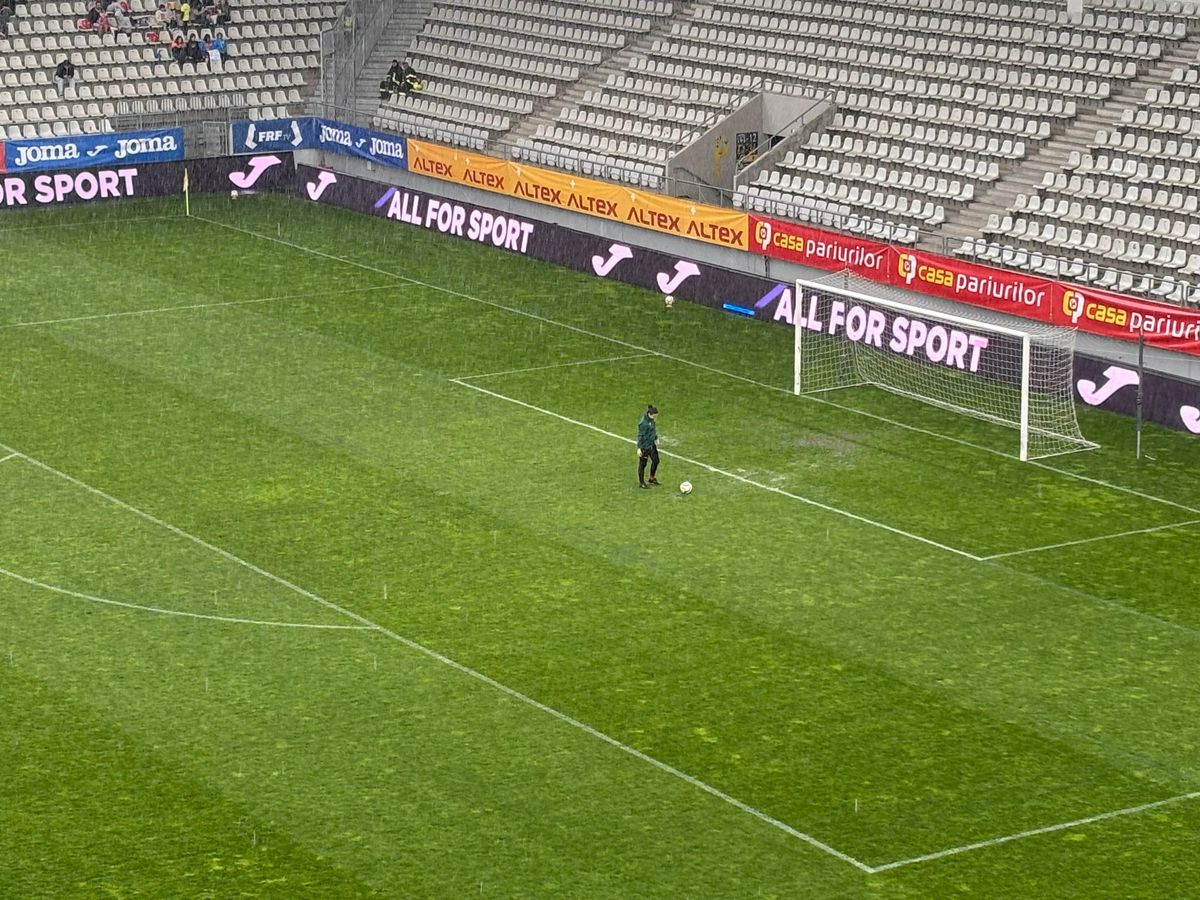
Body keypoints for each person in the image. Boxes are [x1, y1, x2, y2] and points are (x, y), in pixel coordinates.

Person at [636, 404, 661, 489]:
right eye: (654, 416)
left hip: (651, 445)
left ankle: (651, 478)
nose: (655, 418)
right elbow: (640, 436)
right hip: (645, 447)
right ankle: (642, 483)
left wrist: (656, 438)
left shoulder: (651, 420)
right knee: (643, 465)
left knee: (656, 461)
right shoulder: (643, 423)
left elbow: (653, 430)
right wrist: (639, 448)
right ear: (650, 414)